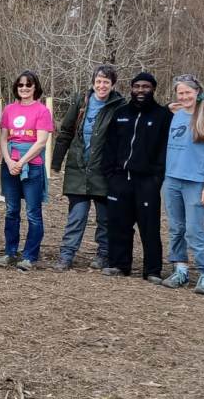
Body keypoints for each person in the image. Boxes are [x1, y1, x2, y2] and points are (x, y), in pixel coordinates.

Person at [50, 65, 125, 272]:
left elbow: (123, 140)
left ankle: (104, 255)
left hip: (105, 171)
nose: (102, 86)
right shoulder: (81, 101)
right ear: (93, 83)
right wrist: (56, 162)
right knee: (76, 216)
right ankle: (66, 255)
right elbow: (65, 131)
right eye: (98, 81)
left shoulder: (119, 105)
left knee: (105, 218)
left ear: (112, 85)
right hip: (78, 169)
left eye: (106, 82)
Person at [100, 71, 171, 282]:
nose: (141, 90)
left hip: (147, 180)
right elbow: (110, 145)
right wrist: (111, 174)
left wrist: (156, 177)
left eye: (146, 87)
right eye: (137, 86)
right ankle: (119, 264)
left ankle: (152, 270)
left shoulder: (163, 116)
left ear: (153, 89)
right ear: (131, 89)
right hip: (120, 178)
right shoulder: (120, 113)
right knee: (118, 224)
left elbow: (165, 149)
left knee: (149, 226)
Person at [161, 74, 204, 295]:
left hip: (195, 182)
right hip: (171, 180)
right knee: (176, 228)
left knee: (194, 229)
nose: (184, 96)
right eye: (181, 93)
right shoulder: (174, 115)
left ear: (197, 92)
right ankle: (180, 269)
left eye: (188, 92)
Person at [0, 70, 54, 271]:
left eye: (29, 84)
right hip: (10, 165)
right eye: (21, 85)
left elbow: (41, 141)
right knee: (11, 211)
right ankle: (10, 252)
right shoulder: (10, 109)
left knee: (33, 212)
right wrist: (10, 162)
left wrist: (22, 162)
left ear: (35, 87)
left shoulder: (42, 111)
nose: (24, 88)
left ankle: (29, 255)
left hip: (32, 166)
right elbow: (3, 137)